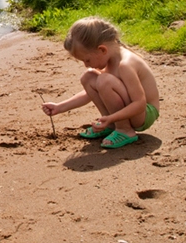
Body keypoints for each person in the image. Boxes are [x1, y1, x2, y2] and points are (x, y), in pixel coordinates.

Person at [42, 16, 160, 148]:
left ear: (102, 50)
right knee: (88, 76)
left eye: (87, 60)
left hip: (145, 114)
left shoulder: (125, 65)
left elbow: (139, 104)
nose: (86, 65)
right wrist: (60, 107)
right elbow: (89, 93)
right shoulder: (110, 59)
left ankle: (124, 130)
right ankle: (111, 127)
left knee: (104, 80)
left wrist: (112, 117)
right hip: (132, 110)